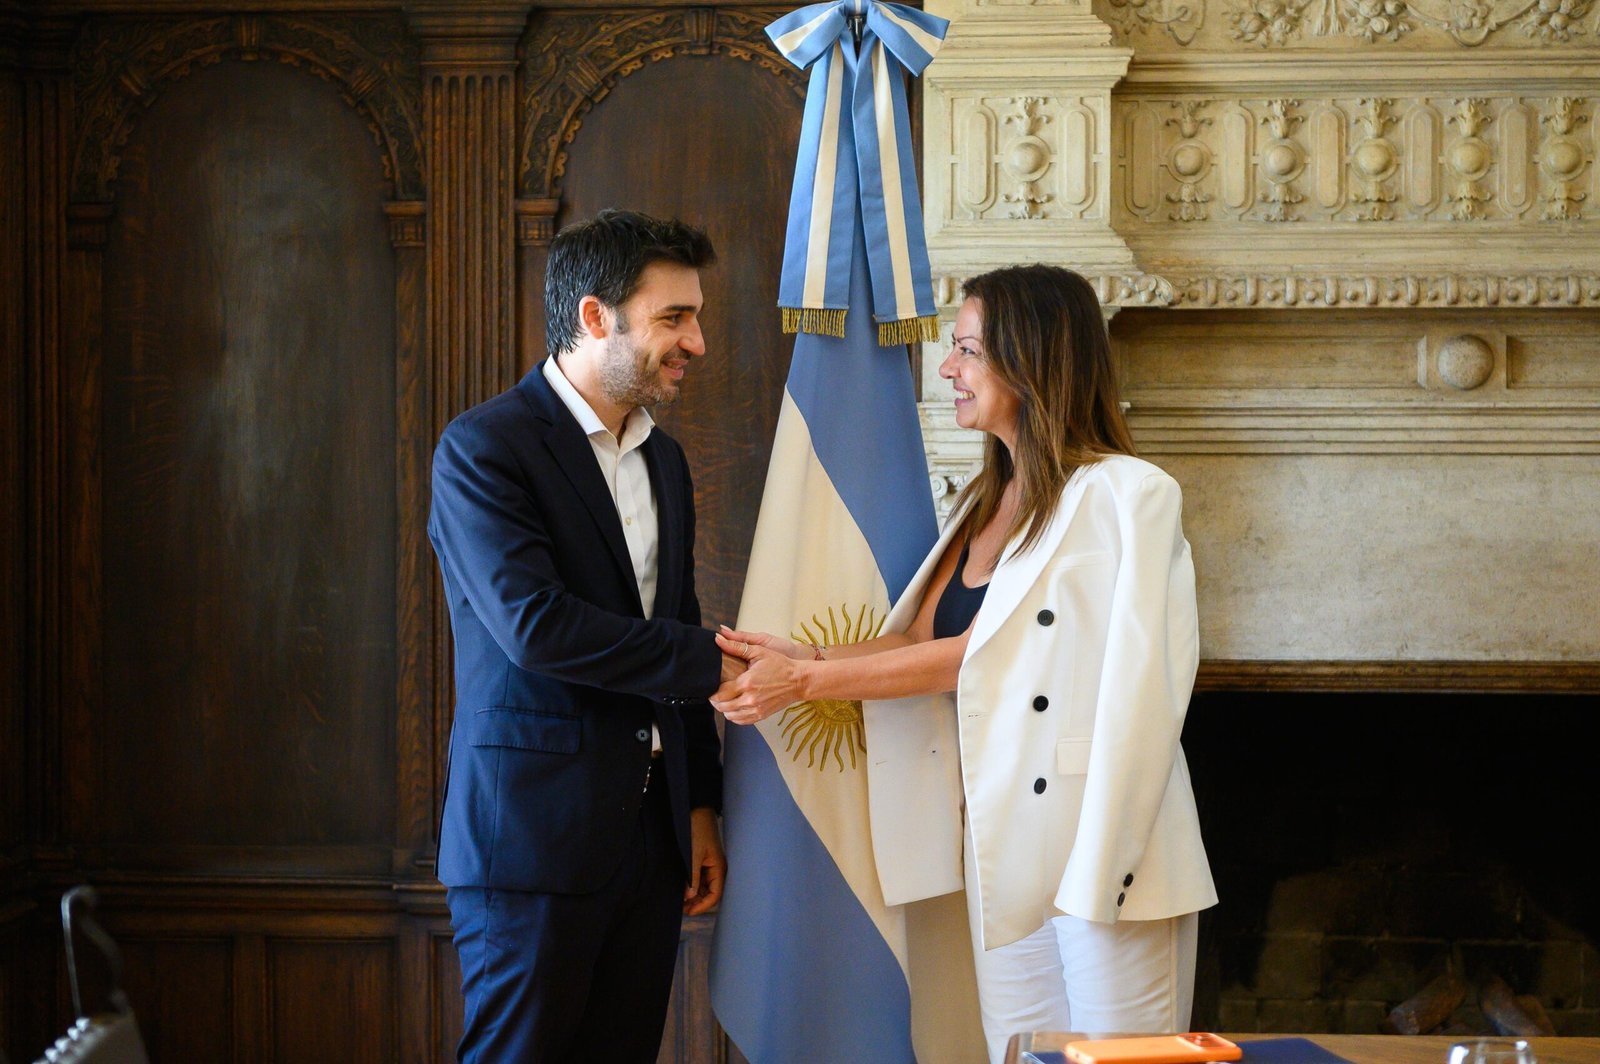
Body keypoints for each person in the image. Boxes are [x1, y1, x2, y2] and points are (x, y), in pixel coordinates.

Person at [712, 264, 1218, 1063]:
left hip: (1105, 854)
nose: (947, 367)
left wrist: (806, 683)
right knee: (1015, 1058)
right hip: (1002, 851)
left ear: (1034, 358)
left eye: (969, 349)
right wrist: (805, 654)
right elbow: (919, 642)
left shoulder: (1129, 495)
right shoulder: (982, 502)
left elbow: (1010, 662)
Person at [428, 209, 739, 1063]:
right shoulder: (484, 447)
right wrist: (719, 662)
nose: (697, 342)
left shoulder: (664, 460)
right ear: (595, 317)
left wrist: (698, 805)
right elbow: (537, 628)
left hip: (652, 843)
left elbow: (672, 622)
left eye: (696, 317)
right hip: (530, 842)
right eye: (674, 318)